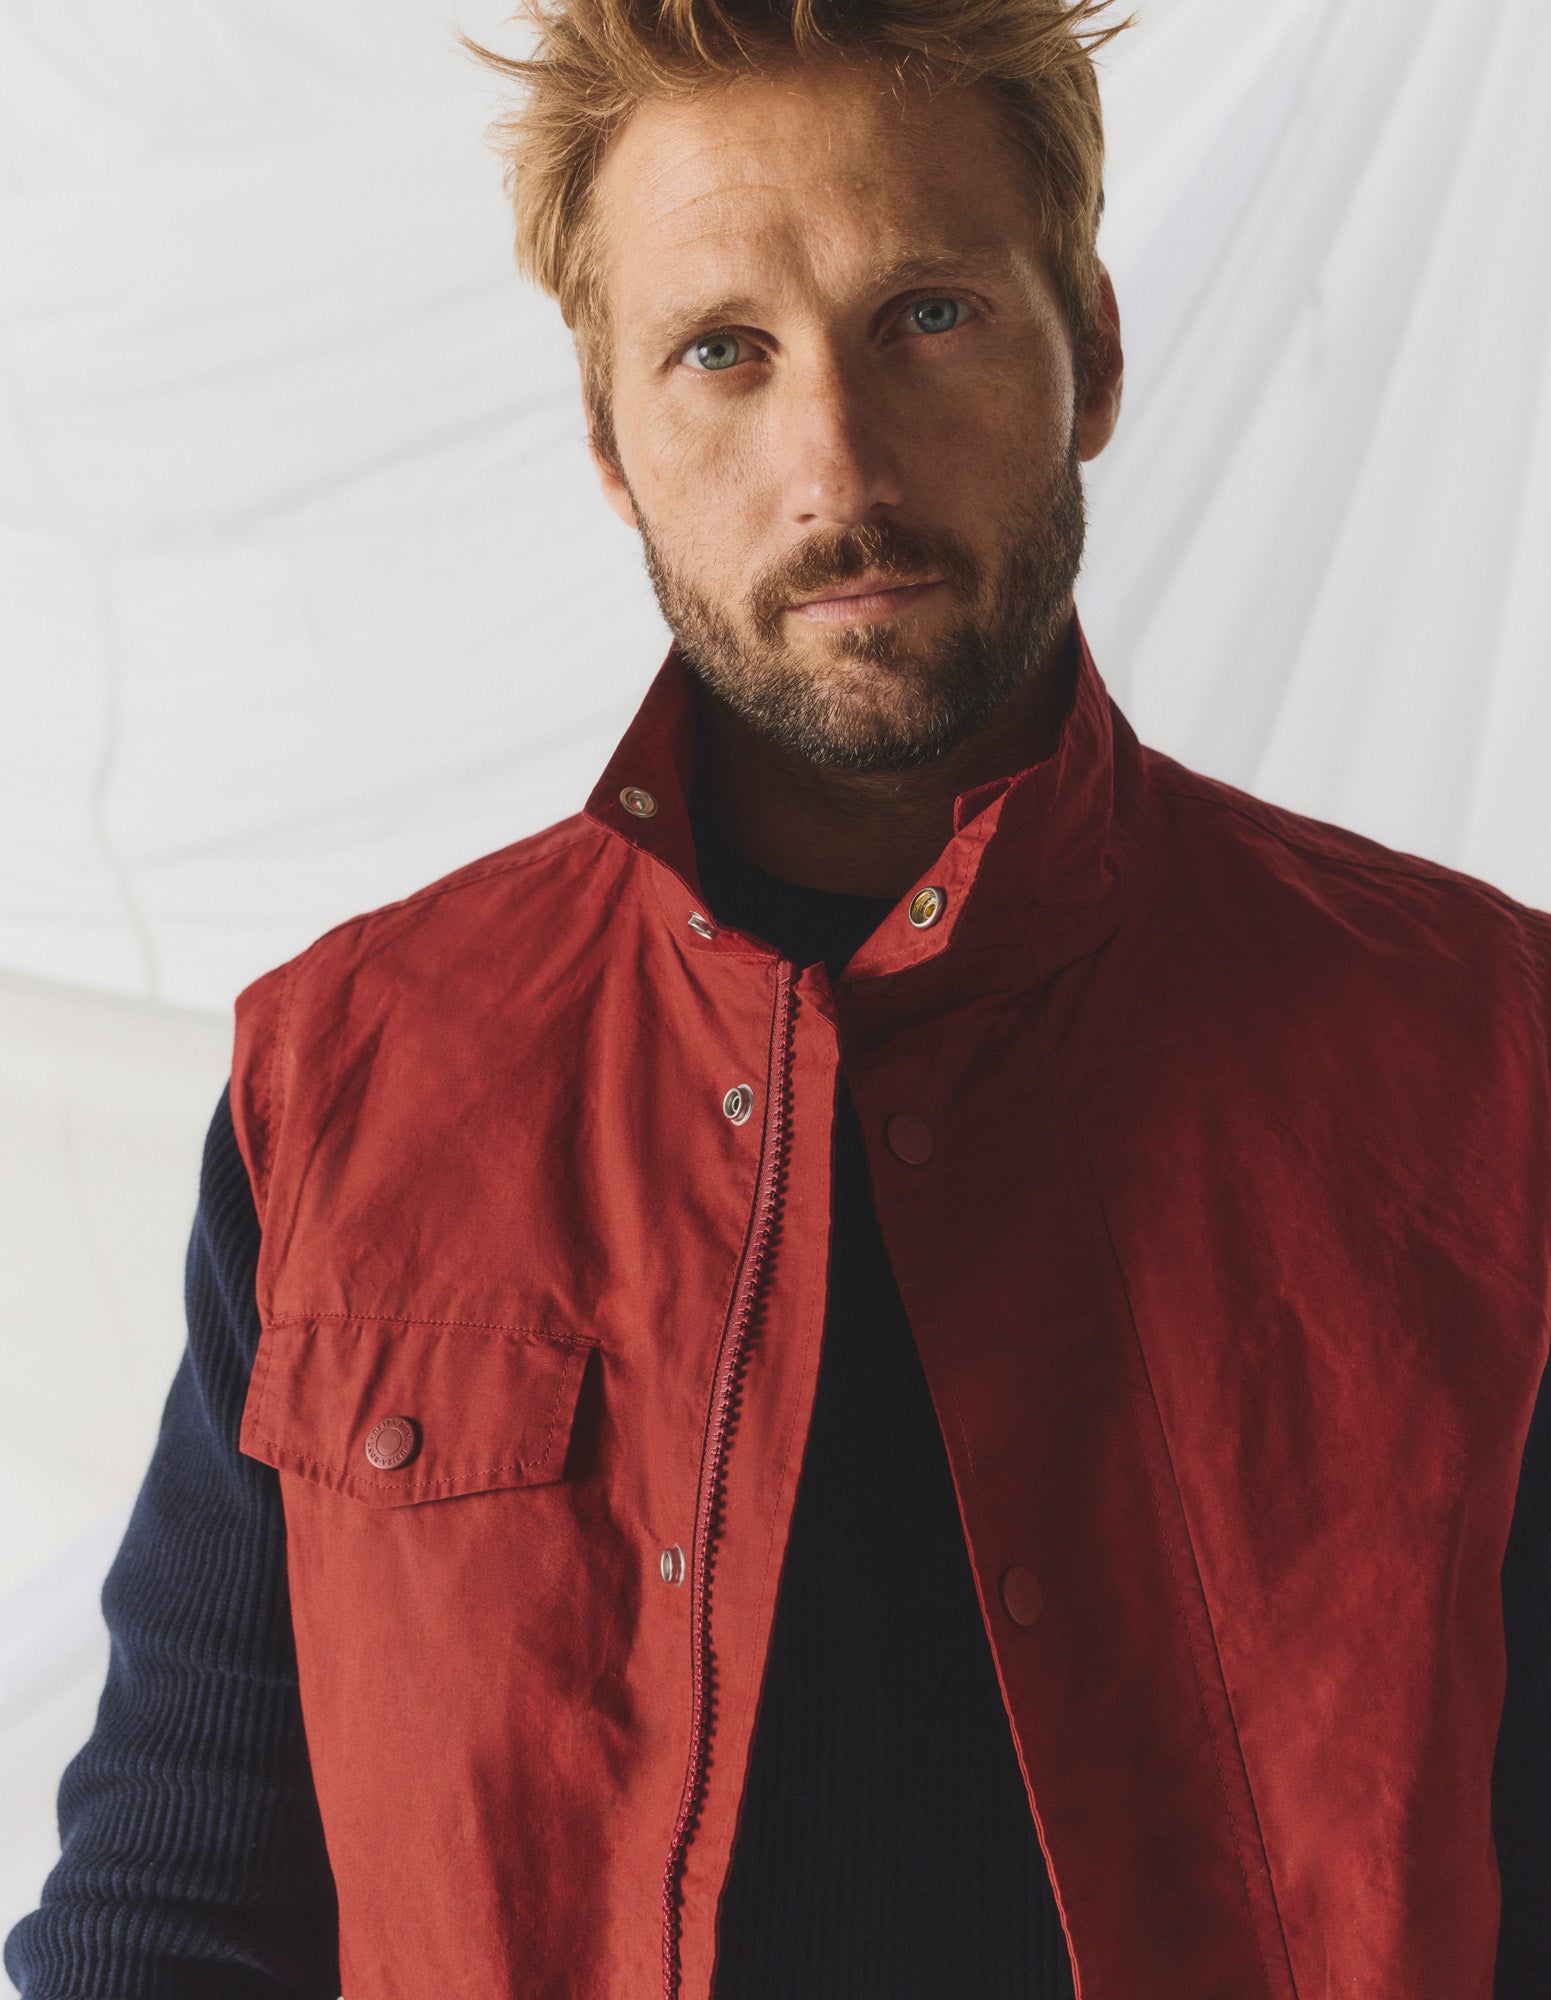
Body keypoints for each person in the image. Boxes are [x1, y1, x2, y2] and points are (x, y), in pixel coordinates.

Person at [7, 0, 1550, 1994]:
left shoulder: (1481, 1055)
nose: (835, 462)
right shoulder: (350, 1077)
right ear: (608, 441)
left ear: (1090, 348)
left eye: (927, 316)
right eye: (720, 351)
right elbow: (171, 1913)